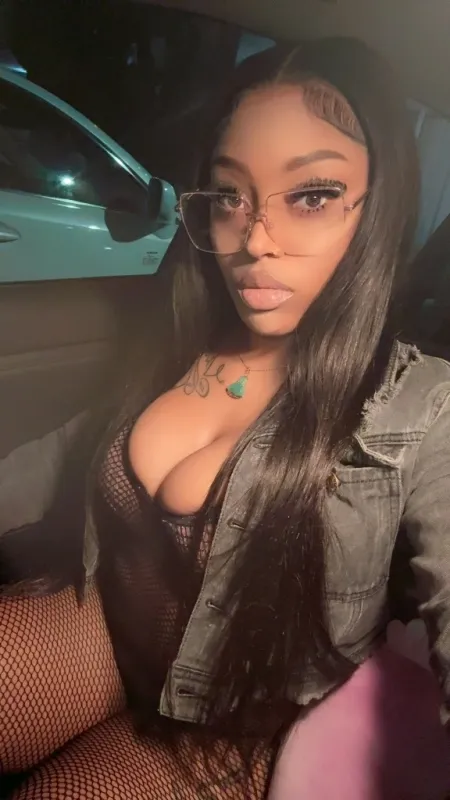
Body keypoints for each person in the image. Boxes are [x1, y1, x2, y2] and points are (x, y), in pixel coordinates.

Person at [1, 37, 450, 799]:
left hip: (231, 731)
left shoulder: (423, 404)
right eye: (230, 196)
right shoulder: (187, 332)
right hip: (102, 634)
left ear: (379, 206)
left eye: (312, 195)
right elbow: (53, 461)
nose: (255, 240)